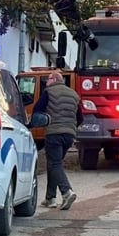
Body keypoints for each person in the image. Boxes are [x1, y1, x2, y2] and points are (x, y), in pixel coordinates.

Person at [33, 71, 83, 210]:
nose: (46, 82)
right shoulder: (74, 95)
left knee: (54, 164)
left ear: (54, 79)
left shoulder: (49, 92)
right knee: (54, 164)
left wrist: (35, 124)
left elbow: (38, 110)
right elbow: (80, 118)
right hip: (69, 135)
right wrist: (70, 127)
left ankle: (67, 192)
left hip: (54, 133)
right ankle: (50, 198)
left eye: (48, 79)